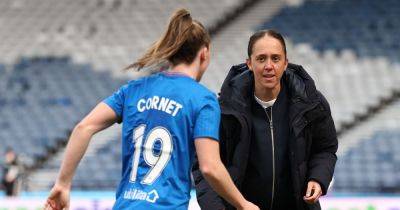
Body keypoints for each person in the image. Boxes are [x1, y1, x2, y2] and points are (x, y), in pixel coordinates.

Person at [44, 8, 258, 210]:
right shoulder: (203, 100)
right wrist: (243, 204)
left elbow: (84, 127)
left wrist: (62, 184)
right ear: (204, 53)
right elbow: (210, 167)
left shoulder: (134, 89)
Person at [193, 30, 338, 210]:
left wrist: (318, 178)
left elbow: (325, 148)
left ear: (286, 63)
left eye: (275, 58)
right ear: (249, 64)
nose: (269, 65)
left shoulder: (311, 103)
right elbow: (204, 166)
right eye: (261, 59)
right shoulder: (224, 109)